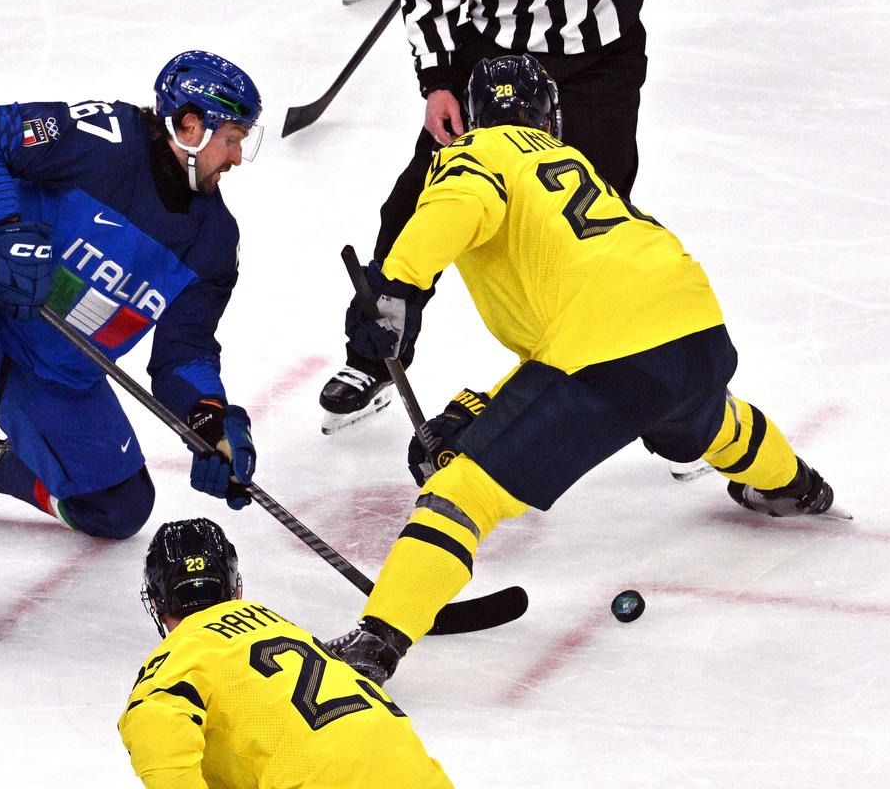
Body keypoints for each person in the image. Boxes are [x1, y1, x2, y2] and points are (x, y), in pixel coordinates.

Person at [326, 55, 845, 686]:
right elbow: (570, 342)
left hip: (606, 351)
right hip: (694, 330)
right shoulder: (577, 167)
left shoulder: (476, 152)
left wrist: (395, 290)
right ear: (550, 117)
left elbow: (460, 204)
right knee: (709, 420)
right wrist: (476, 410)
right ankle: (798, 485)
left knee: (463, 493)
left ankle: (374, 645)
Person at [0, 50, 263, 638]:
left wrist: (210, 421)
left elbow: (184, 353)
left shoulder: (212, 241)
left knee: (118, 509)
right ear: (190, 125)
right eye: (232, 139)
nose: (236, 158)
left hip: (53, 368)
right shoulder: (100, 135)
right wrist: (9, 230)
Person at [319, 0, 649, 433]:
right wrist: (438, 79)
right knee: (421, 206)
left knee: (596, 221)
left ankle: (665, 392)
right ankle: (373, 356)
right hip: (495, 58)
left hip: (601, 59)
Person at [119, 518, 453, 788]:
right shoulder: (281, 626)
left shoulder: (178, 656)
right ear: (235, 589)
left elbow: (156, 734)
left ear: (158, 603)